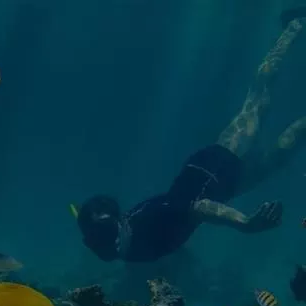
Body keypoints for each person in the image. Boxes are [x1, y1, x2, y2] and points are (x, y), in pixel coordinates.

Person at [74, 9, 306, 263]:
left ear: (120, 222)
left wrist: (245, 224)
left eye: (106, 233)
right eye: (94, 240)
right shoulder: (129, 247)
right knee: (281, 153)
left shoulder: (150, 221)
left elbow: (199, 207)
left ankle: (294, 25)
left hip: (214, 167)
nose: (107, 244)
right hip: (223, 187)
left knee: (258, 99)